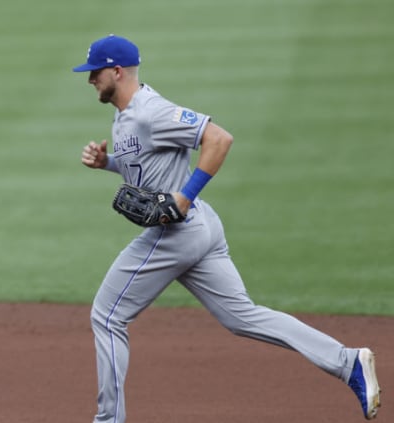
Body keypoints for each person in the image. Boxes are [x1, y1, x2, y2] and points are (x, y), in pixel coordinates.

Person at [72, 34, 381, 422]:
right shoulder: (125, 114)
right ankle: (348, 361)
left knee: (107, 316)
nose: (90, 80)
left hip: (177, 234)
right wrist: (109, 163)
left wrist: (182, 198)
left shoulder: (152, 110)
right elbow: (148, 163)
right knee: (243, 316)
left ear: (117, 71)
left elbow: (218, 139)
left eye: (95, 72)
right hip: (201, 229)